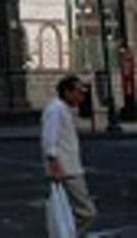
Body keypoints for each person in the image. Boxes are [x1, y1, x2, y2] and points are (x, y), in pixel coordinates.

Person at [41, 73, 97, 236]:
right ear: (67, 91)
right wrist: (55, 166)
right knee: (87, 212)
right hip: (66, 170)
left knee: (72, 210)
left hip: (69, 167)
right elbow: (49, 139)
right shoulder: (56, 109)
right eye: (79, 92)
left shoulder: (62, 109)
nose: (82, 96)